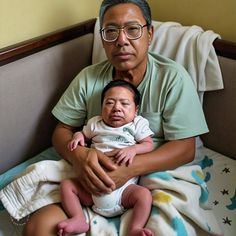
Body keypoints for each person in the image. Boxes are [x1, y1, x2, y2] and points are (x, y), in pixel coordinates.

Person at [23, 0, 208, 235]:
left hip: (146, 182)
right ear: (102, 38)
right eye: (111, 31)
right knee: (37, 229)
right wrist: (79, 157)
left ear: (149, 34)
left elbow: (185, 148)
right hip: (89, 181)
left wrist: (128, 170)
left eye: (132, 29)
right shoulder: (88, 78)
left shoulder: (172, 78)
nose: (121, 40)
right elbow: (62, 131)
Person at [58, 79, 154, 236]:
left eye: (124, 103)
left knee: (144, 195)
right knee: (67, 185)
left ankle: (135, 228)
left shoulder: (137, 124)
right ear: (101, 107)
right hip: (91, 187)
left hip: (124, 191)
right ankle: (78, 218)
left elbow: (149, 144)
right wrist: (77, 137)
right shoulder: (95, 123)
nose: (116, 108)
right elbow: (83, 134)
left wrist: (133, 149)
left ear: (136, 110)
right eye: (109, 103)